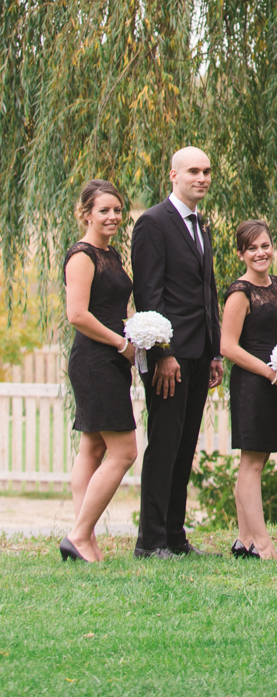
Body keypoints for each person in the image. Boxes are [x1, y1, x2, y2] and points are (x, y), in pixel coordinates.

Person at [131, 146, 222, 558]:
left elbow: (208, 294)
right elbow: (149, 294)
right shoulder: (153, 223)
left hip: (200, 353)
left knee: (185, 446)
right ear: (173, 175)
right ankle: (150, 542)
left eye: (206, 171)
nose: (201, 178)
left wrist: (216, 352)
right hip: (169, 356)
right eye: (193, 171)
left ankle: (174, 536)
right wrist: (163, 353)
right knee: (164, 444)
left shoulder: (201, 225)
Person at [60, 180, 139, 562]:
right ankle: (78, 535)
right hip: (94, 360)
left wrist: (138, 332)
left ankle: (85, 540)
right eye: (104, 210)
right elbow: (77, 315)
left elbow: (115, 307)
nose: (112, 217)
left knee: (92, 447)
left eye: (118, 210)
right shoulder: (82, 256)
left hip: (111, 358)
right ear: (86, 213)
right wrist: (121, 343)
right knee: (124, 451)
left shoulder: (112, 255)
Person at [220, 220, 277, 559]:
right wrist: (270, 374)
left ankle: (244, 539)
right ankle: (262, 543)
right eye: (252, 248)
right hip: (253, 383)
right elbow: (228, 347)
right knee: (250, 464)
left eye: (265, 245)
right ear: (241, 254)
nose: (261, 252)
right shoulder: (240, 292)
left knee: (257, 461)